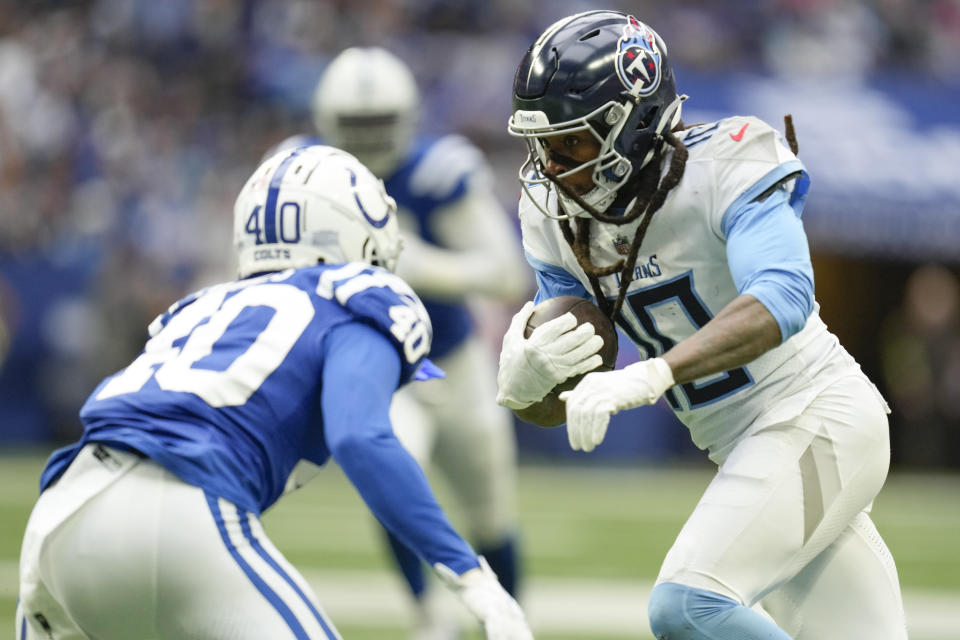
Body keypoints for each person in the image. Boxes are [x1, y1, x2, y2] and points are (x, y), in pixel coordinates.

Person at [495, 10, 906, 640]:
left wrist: (658, 371)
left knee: (687, 604)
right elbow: (575, 390)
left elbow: (783, 297)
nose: (551, 166)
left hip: (817, 413)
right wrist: (527, 389)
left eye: (571, 142)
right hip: (745, 446)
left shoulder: (728, 162)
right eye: (542, 146)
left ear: (630, 128)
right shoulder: (556, 219)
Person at [16, 145, 533, 640]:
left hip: (60, 517)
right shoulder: (357, 296)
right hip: (180, 510)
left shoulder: (200, 307)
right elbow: (359, 437)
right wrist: (473, 578)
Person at [310, 47, 531, 639]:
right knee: (392, 469)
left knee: (489, 508)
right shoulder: (304, 174)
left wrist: (412, 259)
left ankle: (509, 621)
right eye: (356, 125)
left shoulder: (438, 172)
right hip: (374, 358)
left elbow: (507, 273)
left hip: (452, 358)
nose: (368, 138)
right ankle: (431, 618)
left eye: (378, 123)